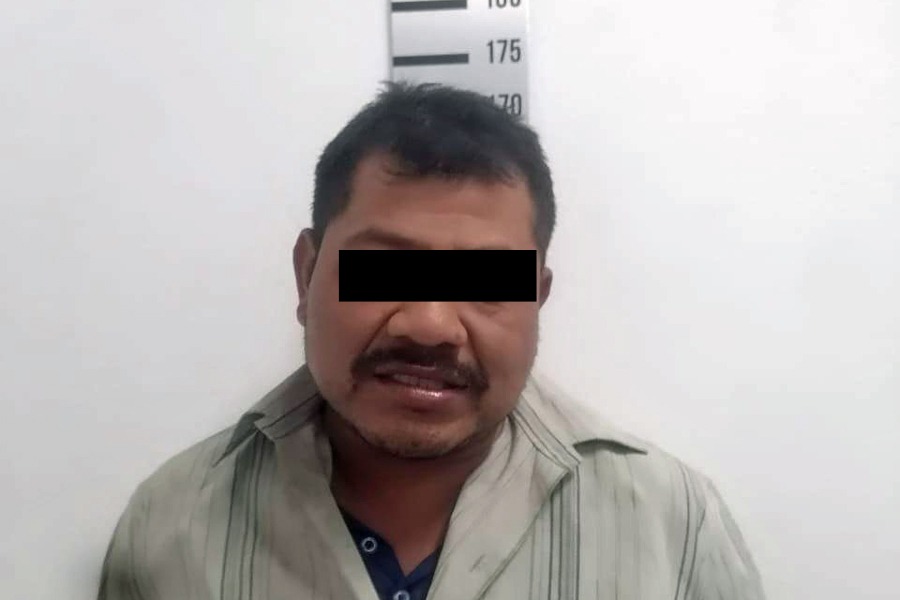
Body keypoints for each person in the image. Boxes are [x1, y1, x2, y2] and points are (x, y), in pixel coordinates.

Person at [98, 82, 766, 600]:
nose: (430, 324)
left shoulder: (672, 527)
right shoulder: (172, 526)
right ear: (306, 276)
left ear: (537, 297)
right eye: (383, 269)